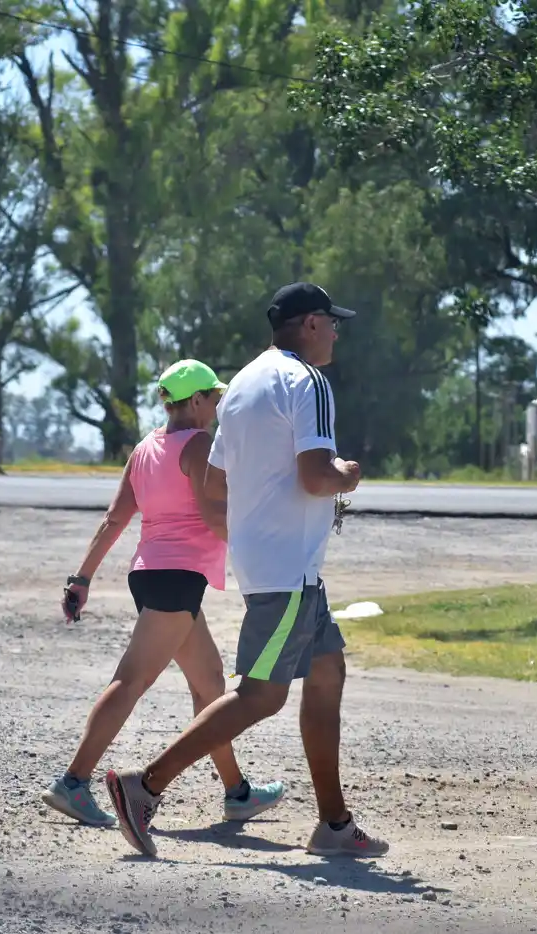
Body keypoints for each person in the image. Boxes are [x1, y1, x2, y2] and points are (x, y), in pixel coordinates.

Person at [105, 283, 389, 859]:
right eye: (331, 323)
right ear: (309, 323)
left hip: (271, 561)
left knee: (328, 671)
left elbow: (214, 482)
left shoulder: (238, 388)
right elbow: (315, 476)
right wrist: (347, 475)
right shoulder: (308, 382)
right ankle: (144, 786)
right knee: (261, 696)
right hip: (290, 569)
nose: (335, 333)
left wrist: (264, 502)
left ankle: (334, 824)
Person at [41, 358, 287, 828]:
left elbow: (114, 519)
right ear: (195, 401)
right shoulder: (198, 444)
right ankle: (73, 783)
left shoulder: (144, 448)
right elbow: (215, 509)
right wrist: (264, 543)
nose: (217, 405)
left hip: (153, 574)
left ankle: (237, 793)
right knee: (131, 680)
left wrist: (82, 578)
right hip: (176, 577)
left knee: (210, 682)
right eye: (213, 397)